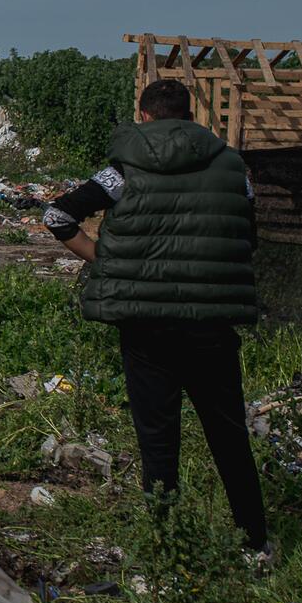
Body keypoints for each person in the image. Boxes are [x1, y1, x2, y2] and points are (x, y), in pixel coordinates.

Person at [43, 78, 269, 551]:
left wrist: (106, 259)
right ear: (189, 116)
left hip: (146, 329)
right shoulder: (233, 169)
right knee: (229, 437)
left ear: (145, 117)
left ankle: (166, 548)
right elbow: (246, 235)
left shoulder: (122, 171)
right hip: (212, 326)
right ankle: (255, 544)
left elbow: (59, 217)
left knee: (158, 439)